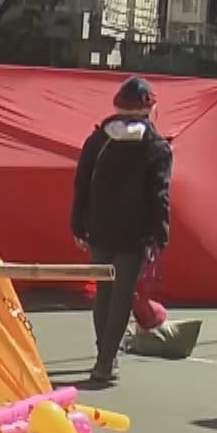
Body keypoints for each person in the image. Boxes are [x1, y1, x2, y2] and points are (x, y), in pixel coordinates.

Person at [72, 77, 172, 384]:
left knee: (104, 292)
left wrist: (77, 224)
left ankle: (106, 354)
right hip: (134, 232)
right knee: (122, 295)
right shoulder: (156, 146)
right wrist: (161, 234)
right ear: (149, 109)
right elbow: (159, 195)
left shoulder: (98, 139)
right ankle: (105, 361)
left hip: (99, 227)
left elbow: (82, 183)